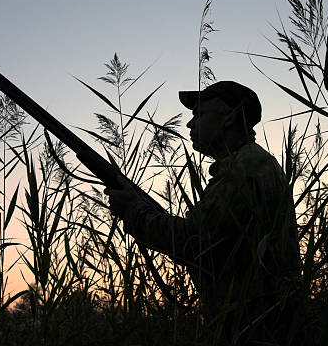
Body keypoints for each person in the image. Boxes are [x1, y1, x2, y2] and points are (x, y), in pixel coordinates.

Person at [104, 81, 303, 345]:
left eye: (199, 114)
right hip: (261, 323)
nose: (190, 124)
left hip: (254, 327)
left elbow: (195, 242)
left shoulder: (244, 169)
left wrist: (134, 211)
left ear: (230, 118)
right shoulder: (250, 163)